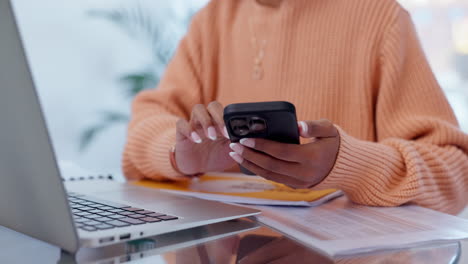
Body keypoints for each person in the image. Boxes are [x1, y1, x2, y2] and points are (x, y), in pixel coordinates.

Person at [122, 0, 468, 214]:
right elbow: (143, 129)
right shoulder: (211, 20)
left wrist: (345, 165)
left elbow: (454, 173)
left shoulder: (380, 17)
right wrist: (179, 155)